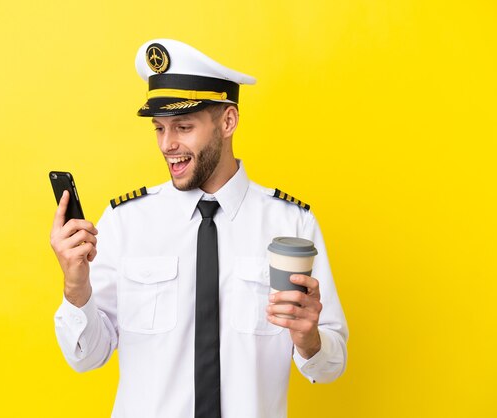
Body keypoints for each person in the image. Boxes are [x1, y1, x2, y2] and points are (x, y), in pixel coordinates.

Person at [51, 39, 348, 418]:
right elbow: (86, 357)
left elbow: (329, 368)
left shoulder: (292, 224)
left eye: (184, 127)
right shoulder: (125, 222)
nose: (167, 145)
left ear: (228, 121)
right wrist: (76, 287)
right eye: (159, 128)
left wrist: (309, 340)